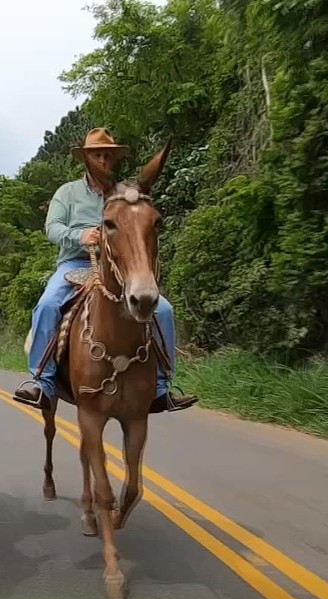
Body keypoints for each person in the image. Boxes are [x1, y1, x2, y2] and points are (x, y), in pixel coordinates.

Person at [12, 128, 199, 414]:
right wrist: (81, 236)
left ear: (113, 159)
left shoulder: (123, 193)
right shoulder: (68, 192)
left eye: (107, 155)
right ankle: (42, 382)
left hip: (119, 267)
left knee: (164, 311)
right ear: (86, 159)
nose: (102, 159)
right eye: (96, 155)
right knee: (48, 304)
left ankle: (162, 387)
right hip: (75, 264)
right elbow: (52, 228)